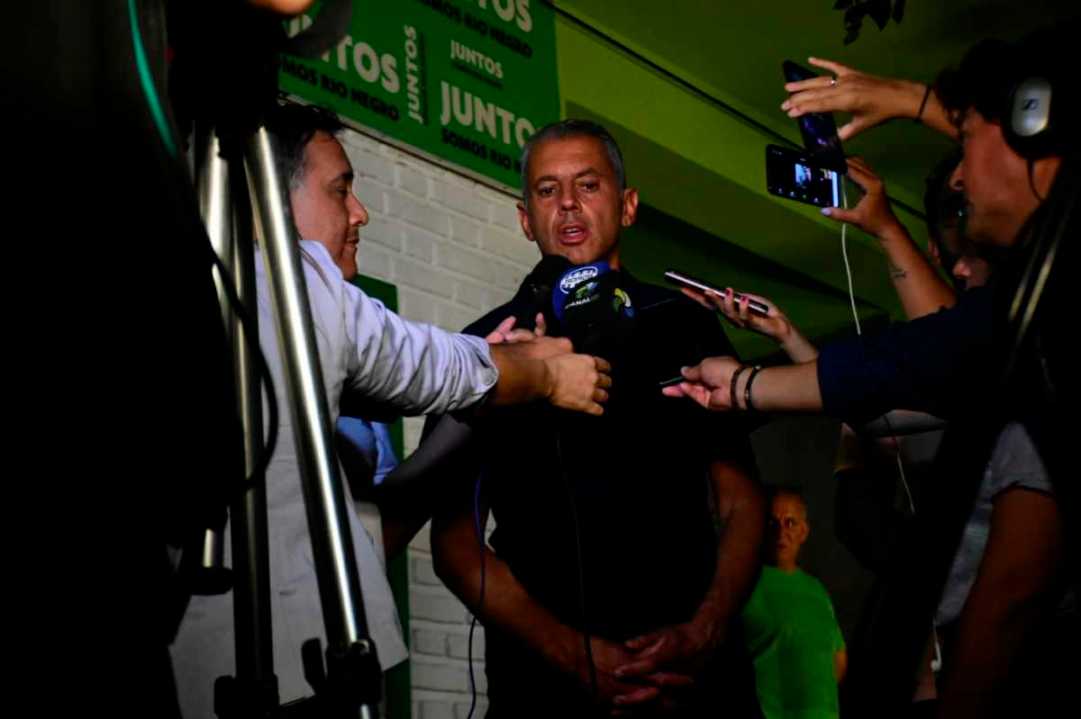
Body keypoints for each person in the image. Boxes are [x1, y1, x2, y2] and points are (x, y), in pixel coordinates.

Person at [170, 104, 614, 718]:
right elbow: (436, 368)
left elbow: (375, 523)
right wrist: (543, 373)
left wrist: (491, 381)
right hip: (290, 676)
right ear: (268, 196)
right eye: (341, 190)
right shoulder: (302, 288)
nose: (360, 213)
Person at [428, 119, 765, 717]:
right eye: (547, 190)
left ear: (628, 205)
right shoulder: (483, 348)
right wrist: (570, 654)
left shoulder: (682, 322)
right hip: (543, 688)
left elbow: (741, 501)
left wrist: (706, 629)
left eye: (588, 185)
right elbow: (454, 543)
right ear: (525, 218)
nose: (568, 204)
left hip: (696, 678)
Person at [742, 489, 845, 719]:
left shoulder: (817, 589)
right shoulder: (746, 581)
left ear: (803, 531)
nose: (781, 532)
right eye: (773, 523)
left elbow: (838, 656)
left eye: (790, 523)